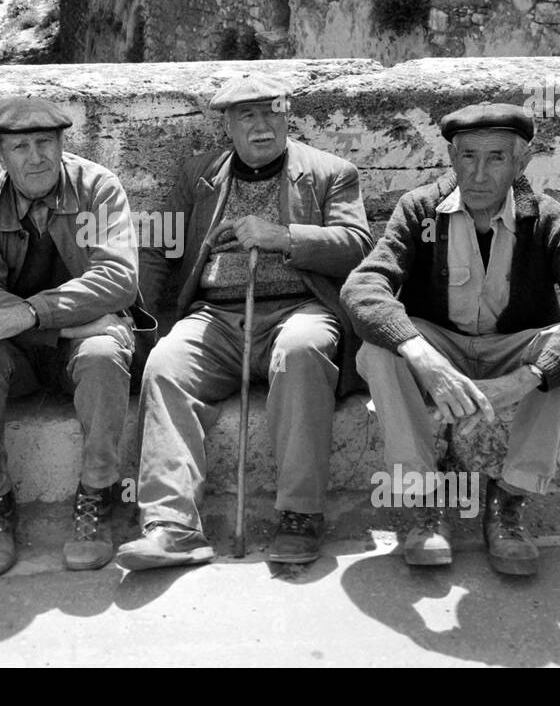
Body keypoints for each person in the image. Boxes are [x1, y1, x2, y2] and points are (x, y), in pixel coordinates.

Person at [342, 102, 560, 576]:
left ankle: (509, 499)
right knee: (381, 347)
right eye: (467, 157)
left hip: (511, 348)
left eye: (496, 158)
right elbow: (363, 287)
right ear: (452, 159)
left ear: (521, 163)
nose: (478, 174)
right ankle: (423, 498)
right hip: (441, 346)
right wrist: (420, 354)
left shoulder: (550, 221)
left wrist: (526, 378)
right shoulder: (419, 210)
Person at [117, 74, 373, 570]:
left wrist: (284, 236)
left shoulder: (331, 172)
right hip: (216, 315)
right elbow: (157, 247)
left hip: (300, 308)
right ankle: (173, 527)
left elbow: (358, 246)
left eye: (271, 113)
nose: (261, 127)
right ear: (228, 126)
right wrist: (150, 323)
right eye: (247, 116)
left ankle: (300, 514)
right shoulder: (198, 174)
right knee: (166, 365)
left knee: (302, 350)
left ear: (288, 115)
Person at [0, 97, 143, 576]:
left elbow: (118, 279)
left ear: (62, 145)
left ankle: (97, 495)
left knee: (102, 351)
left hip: (78, 345)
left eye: (45, 143)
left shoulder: (98, 187)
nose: (35, 157)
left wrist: (33, 314)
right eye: (20, 147)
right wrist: (60, 326)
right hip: (25, 350)